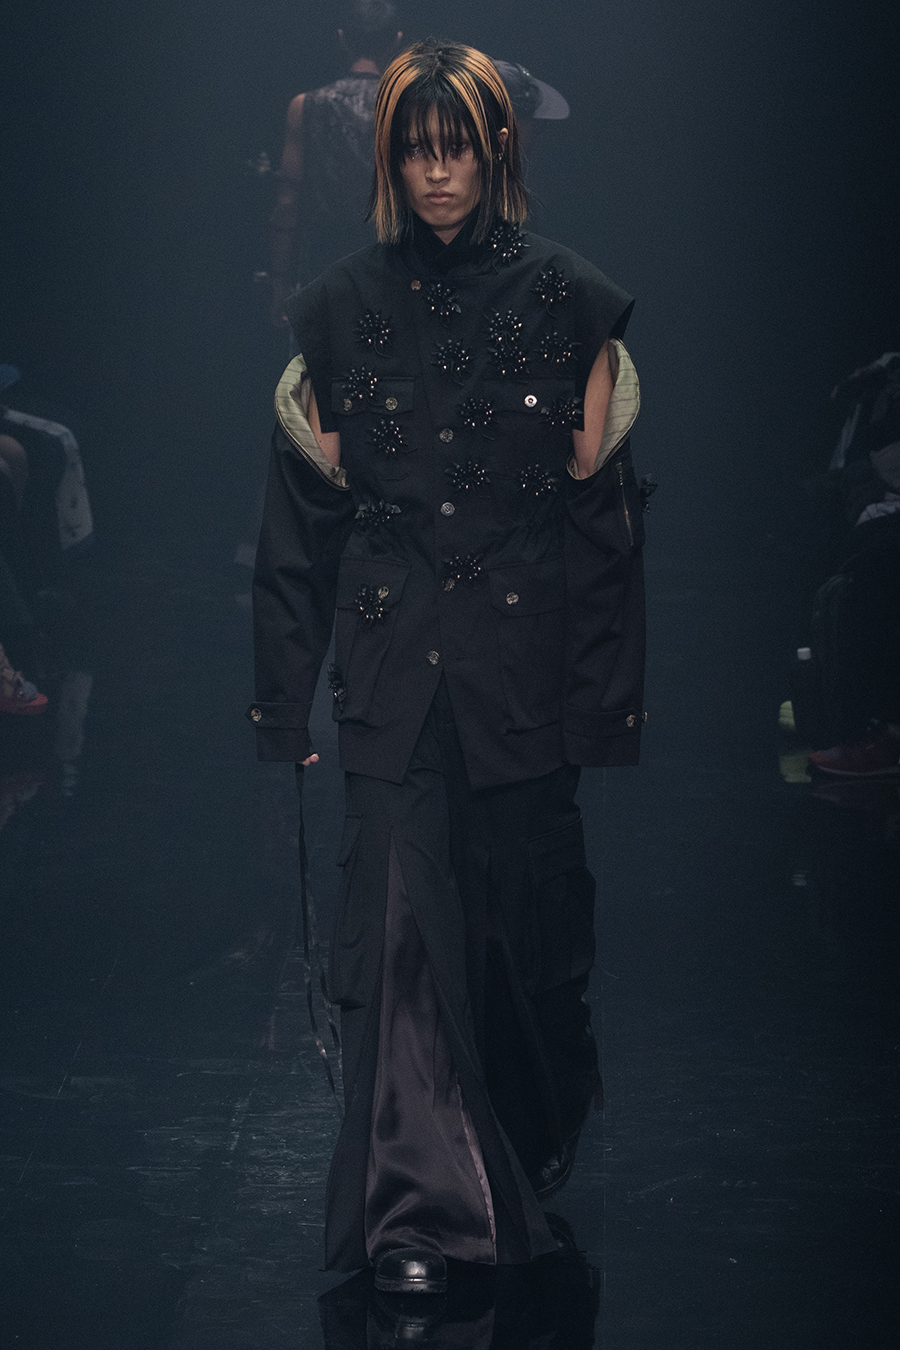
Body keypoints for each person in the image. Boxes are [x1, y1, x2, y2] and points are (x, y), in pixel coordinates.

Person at [249, 39, 645, 1294]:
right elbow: (295, 530)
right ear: (388, 160)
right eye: (416, 150)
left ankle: (521, 1142)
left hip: (519, 672)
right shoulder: (335, 312)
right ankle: (420, 1217)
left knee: (520, 950)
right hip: (389, 664)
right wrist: (283, 699)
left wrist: (602, 704)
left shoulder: (573, 301)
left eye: (456, 148)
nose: (436, 173)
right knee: (402, 938)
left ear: (495, 154)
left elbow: (606, 529)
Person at [269, 0, 404, 328]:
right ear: (397, 41)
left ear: (342, 38)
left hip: (322, 273)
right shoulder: (409, 107)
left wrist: (278, 284)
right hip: (392, 275)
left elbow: (287, 203)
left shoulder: (305, 107)